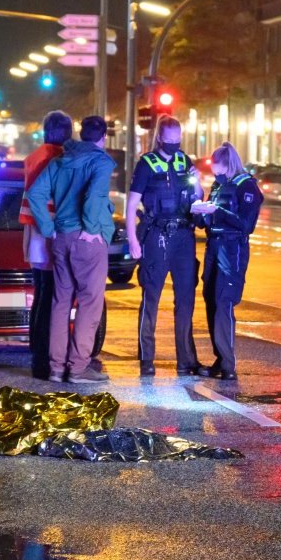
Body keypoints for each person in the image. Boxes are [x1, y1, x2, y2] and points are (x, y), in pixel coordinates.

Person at [26, 115, 116, 384]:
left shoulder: (59, 161)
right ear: (102, 137)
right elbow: (94, 197)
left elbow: (35, 194)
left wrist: (47, 227)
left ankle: (56, 367)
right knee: (90, 303)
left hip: (61, 237)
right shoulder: (100, 161)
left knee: (60, 302)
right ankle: (77, 368)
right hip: (87, 240)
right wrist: (90, 229)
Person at [126, 116, 203, 377]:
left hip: (183, 235)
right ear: (160, 137)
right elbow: (131, 203)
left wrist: (198, 182)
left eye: (178, 139)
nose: (174, 144)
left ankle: (186, 360)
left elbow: (197, 198)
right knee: (151, 298)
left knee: (186, 299)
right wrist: (133, 239)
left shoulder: (184, 161)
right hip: (156, 235)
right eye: (170, 140)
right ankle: (147, 359)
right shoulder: (146, 164)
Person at [193, 142, 263, 381]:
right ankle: (220, 359)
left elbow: (246, 225)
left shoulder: (248, 187)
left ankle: (228, 364)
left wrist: (217, 212)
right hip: (214, 245)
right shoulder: (218, 184)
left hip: (232, 249)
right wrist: (199, 209)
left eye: (217, 165)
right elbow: (205, 221)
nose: (214, 170)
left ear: (228, 164)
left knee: (223, 302)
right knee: (211, 300)